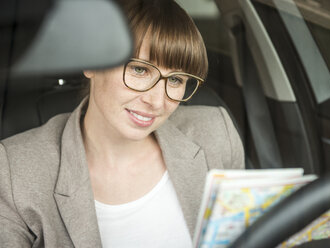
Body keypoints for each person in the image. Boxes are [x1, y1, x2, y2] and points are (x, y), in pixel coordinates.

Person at [0, 0, 244, 247]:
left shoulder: (216, 134)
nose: (158, 102)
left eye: (176, 80)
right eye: (139, 70)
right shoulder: (13, 171)